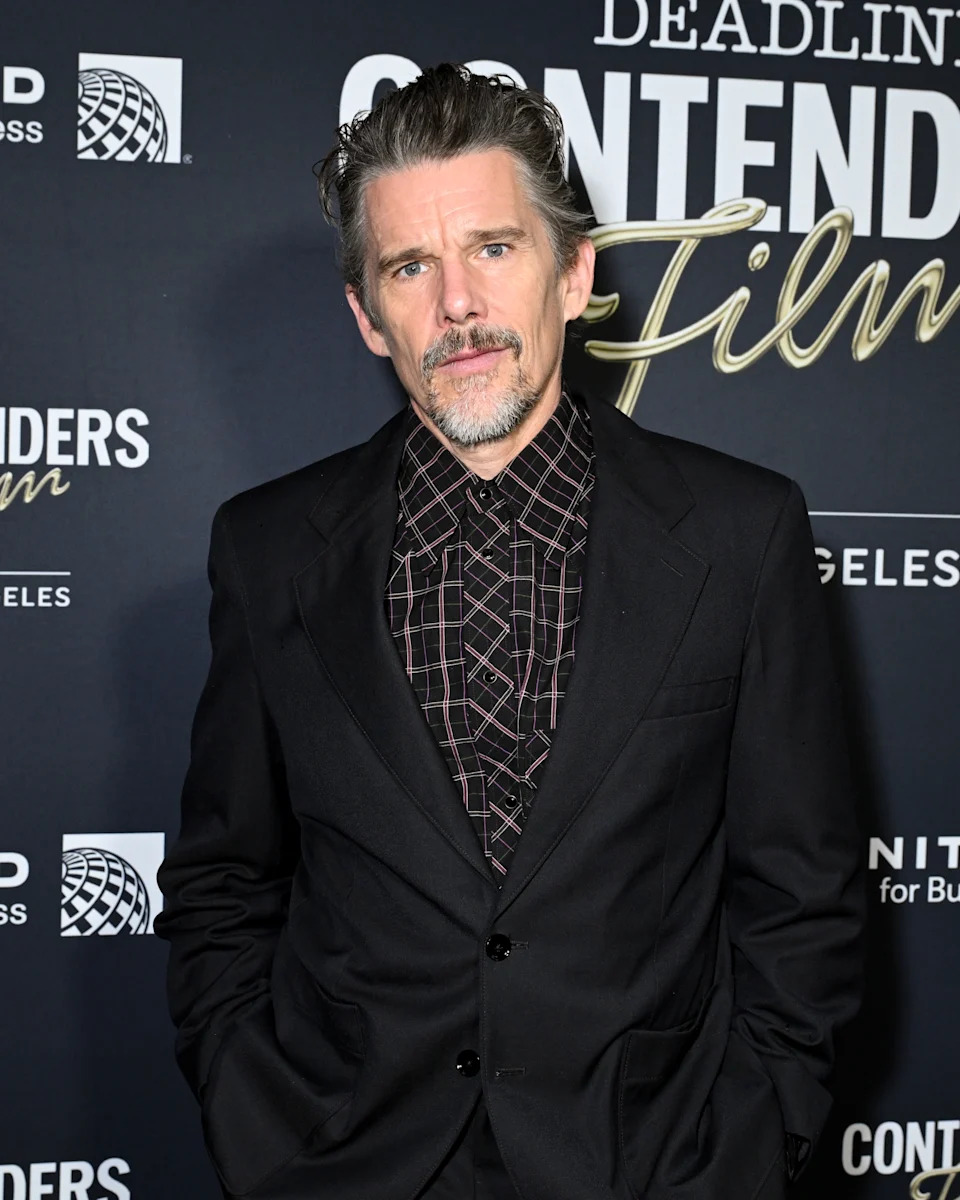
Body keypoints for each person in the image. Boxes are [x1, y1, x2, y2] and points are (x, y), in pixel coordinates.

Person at [155, 62, 864, 1200]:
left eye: (493, 248)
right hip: (347, 1163)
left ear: (573, 271)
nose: (458, 306)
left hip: (652, 1168)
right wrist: (257, 1123)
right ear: (367, 316)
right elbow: (223, 880)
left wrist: (755, 1142)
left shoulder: (743, 531)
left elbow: (802, 891)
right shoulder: (269, 547)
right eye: (409, 266)